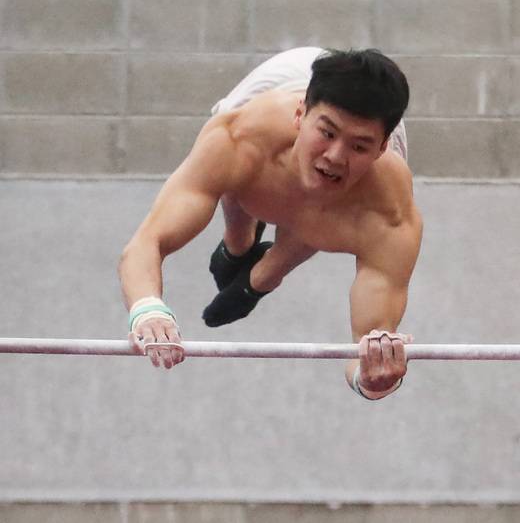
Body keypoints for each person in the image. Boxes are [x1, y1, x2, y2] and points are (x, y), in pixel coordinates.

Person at [118, 47, 422, 400]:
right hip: (276, 89)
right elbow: (146, 243)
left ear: (382, 148)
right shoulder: (238, 137)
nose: (335, 156)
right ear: (300, 115)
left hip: (344, 200)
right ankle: (238, 242)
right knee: (239, 179)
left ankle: (263, 276)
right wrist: (147, 310)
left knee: (319, 217)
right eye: (327, 134)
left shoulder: (389, 213)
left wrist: (372, 379)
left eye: (359, 147)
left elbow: (366, 350)